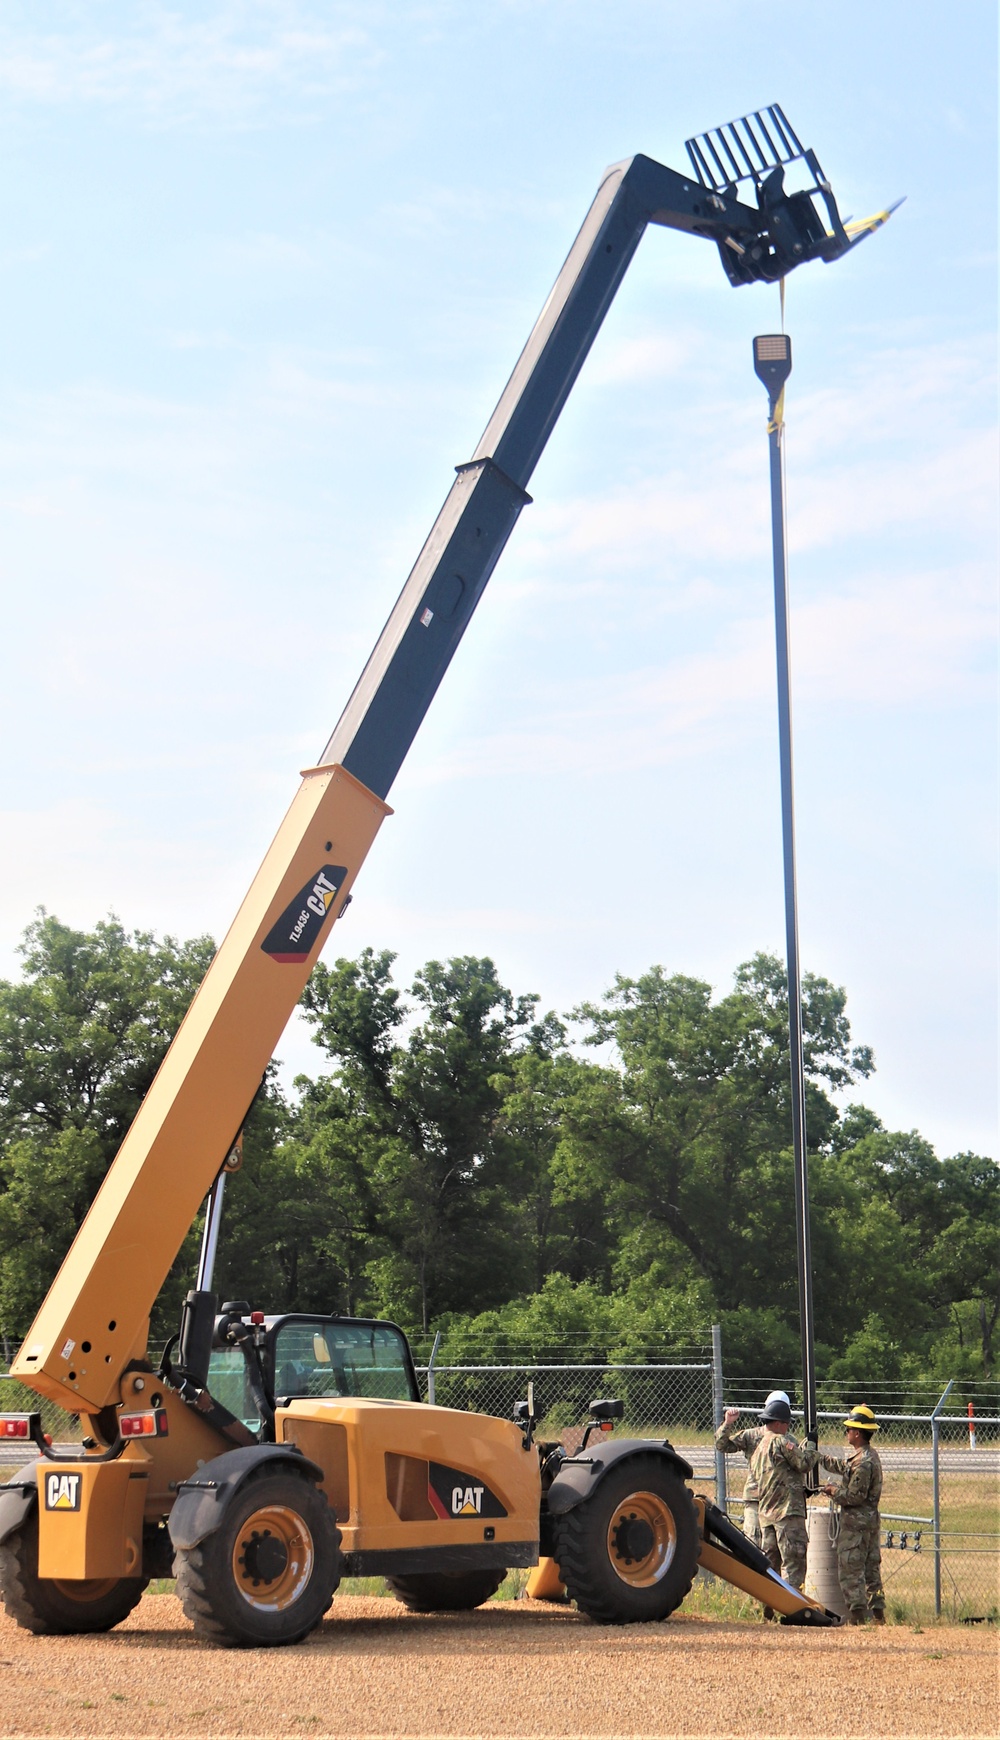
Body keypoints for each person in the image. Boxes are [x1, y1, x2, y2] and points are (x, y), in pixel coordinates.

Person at [821, 1404, 885, 1625]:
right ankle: (878, 1616)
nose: (846, 1432)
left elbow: (854, 1496)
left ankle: (858, 1618)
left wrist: (832, 1491)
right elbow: (843, 1466)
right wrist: (818, 1458)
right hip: (867, 1523)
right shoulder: (864, 1457)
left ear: (857, 1433)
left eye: (849, 1429)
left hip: (856, 1525)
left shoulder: (864, 1462)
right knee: (870, 1570)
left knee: (851, 1570)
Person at [747, 1396, 818, 1597]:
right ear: (778, 1423)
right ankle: (793, 1608)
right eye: (786, 1424)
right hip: (787, 1513)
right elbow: (803, 1463)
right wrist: (811, 1445)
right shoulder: (780, 1441)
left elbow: (779, 1474)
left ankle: (768, 1606)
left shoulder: (759, 1447)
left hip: (766, 1515)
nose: (787, 1428)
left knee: (770, 1566)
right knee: (794, 1563)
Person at [715, 1391, 792, 1546]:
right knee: (753, 1542)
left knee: (774, 1546)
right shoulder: (751, 1435)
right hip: (755, 1497)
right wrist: (728, 1423)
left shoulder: (788, 1440)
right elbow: (722, 1445)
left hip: (779, 1500)